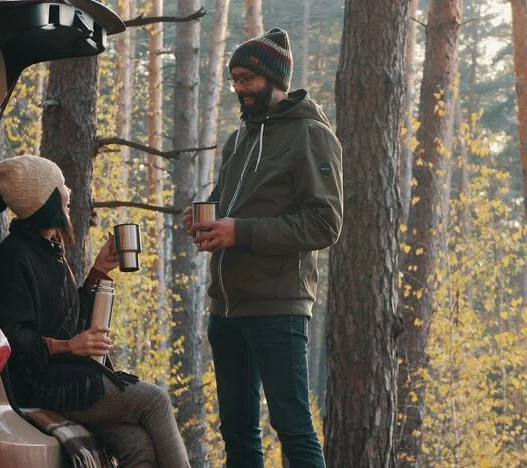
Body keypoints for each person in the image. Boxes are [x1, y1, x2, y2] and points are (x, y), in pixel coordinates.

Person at [183, 27, 342, 467]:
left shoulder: (310, 134)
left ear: (276, 80)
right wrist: (206, 216)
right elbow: (228, 204)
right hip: (226, 309)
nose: (240, 88)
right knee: (236, 432)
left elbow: (325, 223)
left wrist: (241, 232)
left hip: (277, 307)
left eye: (248, 79)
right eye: (235, 79)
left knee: (292, 426)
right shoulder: (240, 138)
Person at [0, 155, 190, 468]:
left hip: (66, 377)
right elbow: (11, 337)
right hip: (42, 384)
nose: (69, 193)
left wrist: (99, 272)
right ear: (45, 198)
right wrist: (68, 346)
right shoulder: (14, 257)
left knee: (138, 445)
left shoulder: (47, 249)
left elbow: (67, 320)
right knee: (155, 399)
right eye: (61, 186)